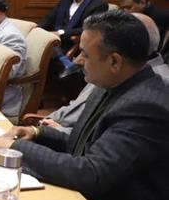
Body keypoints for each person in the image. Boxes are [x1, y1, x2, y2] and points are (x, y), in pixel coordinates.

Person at [0, 10, 169, 200]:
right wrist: (37, 133)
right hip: (85, 199)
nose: (77, 60)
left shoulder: (145, 106)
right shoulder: (112, 83)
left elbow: (91, 173)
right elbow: (86, 143)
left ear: (115, 62)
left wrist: (15, 148)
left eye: (85, 54)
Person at [41, 12, 169, 133]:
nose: (77, 61)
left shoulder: (156, 88)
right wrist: (40, 129)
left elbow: (103, 140)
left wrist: (56, 131)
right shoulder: (108, 70)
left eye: (85, 54)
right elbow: (76, 109)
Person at [37, 0, 108, 78]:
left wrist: (61, 33)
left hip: (76, 41)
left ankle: (66, 65)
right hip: (56, 38)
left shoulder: (98, 5)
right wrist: (36, 29)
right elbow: (49, 17)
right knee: (39, 43)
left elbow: (90, 28)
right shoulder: (65, 0)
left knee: (48, 47)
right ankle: (66, 64)